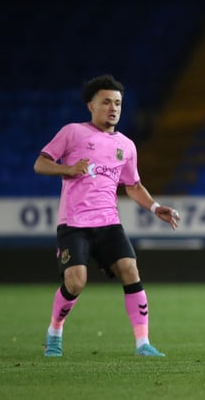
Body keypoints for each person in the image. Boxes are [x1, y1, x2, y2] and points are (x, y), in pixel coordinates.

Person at [34, 74, 181, 357]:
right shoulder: (73, 132)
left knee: (130, 269)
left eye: (117, 103)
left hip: (109, 223)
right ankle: (55, 331)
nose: (113, 108)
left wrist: (154, 207)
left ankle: (143, 344)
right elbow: (40, 163)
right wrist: (69, 169)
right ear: (91, 106)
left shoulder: (126, 145)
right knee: (75, 282)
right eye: (106, 102)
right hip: (74, 224)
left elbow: (133, 185)